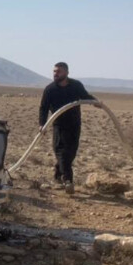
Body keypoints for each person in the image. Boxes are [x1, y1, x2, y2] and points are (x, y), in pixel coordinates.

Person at [38, 62, 98, 194]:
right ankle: (68, 180)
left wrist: (95, 102)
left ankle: (58, 174)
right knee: (61, 151)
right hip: (59, 124)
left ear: (66, 73)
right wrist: (42, 123)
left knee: (71, 153)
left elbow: (85, 96)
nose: (55, 74)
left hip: (74, 124)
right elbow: (43, 108)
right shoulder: (50, 89)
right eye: (54, 71)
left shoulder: (76, 85)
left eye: (58, 71)